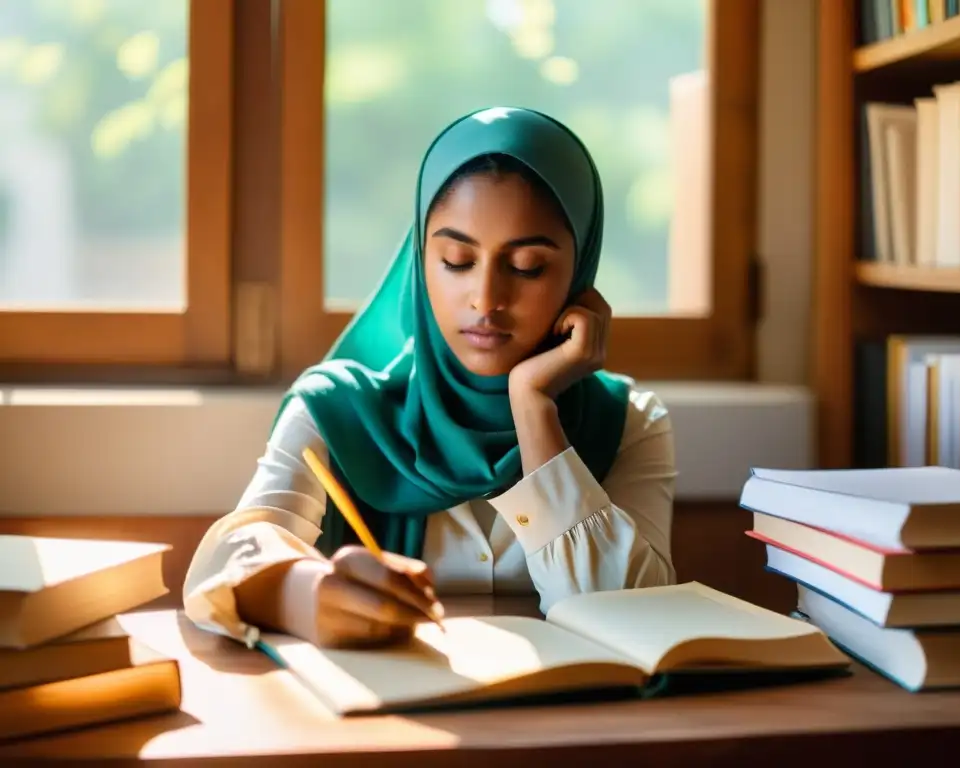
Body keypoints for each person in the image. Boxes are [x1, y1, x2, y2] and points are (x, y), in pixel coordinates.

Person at [183, 106, 677, 651]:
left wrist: (533, 406)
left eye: (528, 267)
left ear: (579, 270)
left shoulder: (628, 421)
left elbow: (637, 611)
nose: (486, 300)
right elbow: (222, 565)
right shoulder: (340, 411)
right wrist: (301, 593)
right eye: (457, 259)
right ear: (421, 260)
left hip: (581, 722)